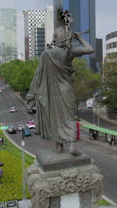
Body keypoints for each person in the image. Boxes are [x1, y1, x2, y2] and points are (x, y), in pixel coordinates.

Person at [27, 9, 93, 156]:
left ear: (55, 39)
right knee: (69, 117)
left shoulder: (47, 53)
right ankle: (72, 146)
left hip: (52, 92)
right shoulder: (70, 52)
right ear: (68, 38)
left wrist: (31, 94)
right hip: (66, 89)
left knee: (55, 117)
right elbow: (90, 49)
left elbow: (37, 75)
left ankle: (59, 147)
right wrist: (79, 39)